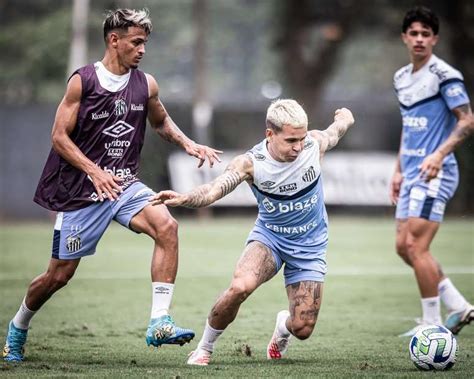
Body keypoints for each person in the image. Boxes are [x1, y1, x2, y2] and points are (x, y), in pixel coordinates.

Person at [2, 8, 222, 362]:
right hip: (81, 192)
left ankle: (159, 321)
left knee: (167, 226)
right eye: (136, 42)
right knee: (58, 276)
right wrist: (94, 170)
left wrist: (189, 144)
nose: (142, 50)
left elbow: (161, 121)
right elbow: (59, 137)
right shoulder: (83, 81)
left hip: (124, 185)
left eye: (145, 43)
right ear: (113, 40)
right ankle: (18, 326)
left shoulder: (146, 84)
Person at [149, 99, 355, 365]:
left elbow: (334, 131)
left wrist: (345, 118)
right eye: (291, 140)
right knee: (239, 287)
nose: (298, 146)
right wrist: (184, 198)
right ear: (270, 134)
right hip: (270, 238)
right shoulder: (250, 163)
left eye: (301, 138)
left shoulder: (313, 146)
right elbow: (214, 189)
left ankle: (283, 327)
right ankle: (204, 348)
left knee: (303, 329)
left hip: (309, 246)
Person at [390, 6, 474, 337]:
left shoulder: (445, 75)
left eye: (426, 34)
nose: (420, 39)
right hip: (411, 174)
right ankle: (459, 305)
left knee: (415, 245)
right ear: (405, 37)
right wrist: (397, 170)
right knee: (402, 246)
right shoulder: (400, 77)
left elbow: (467, 119)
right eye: (414, 33)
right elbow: (408, 127)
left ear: (435, 39)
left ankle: (431, 323)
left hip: (435, 173)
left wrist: (438, 154)